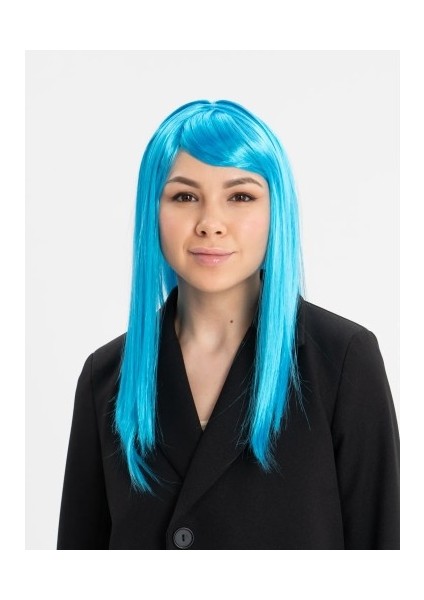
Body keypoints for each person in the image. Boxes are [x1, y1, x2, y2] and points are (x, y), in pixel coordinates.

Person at [57, 99, 400, 550]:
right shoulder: (106, 378)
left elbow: (380, 551)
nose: (210, 224)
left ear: (276, 210)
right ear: (152, 211)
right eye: (184, 197)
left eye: (240, 196)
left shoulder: (343, 361)